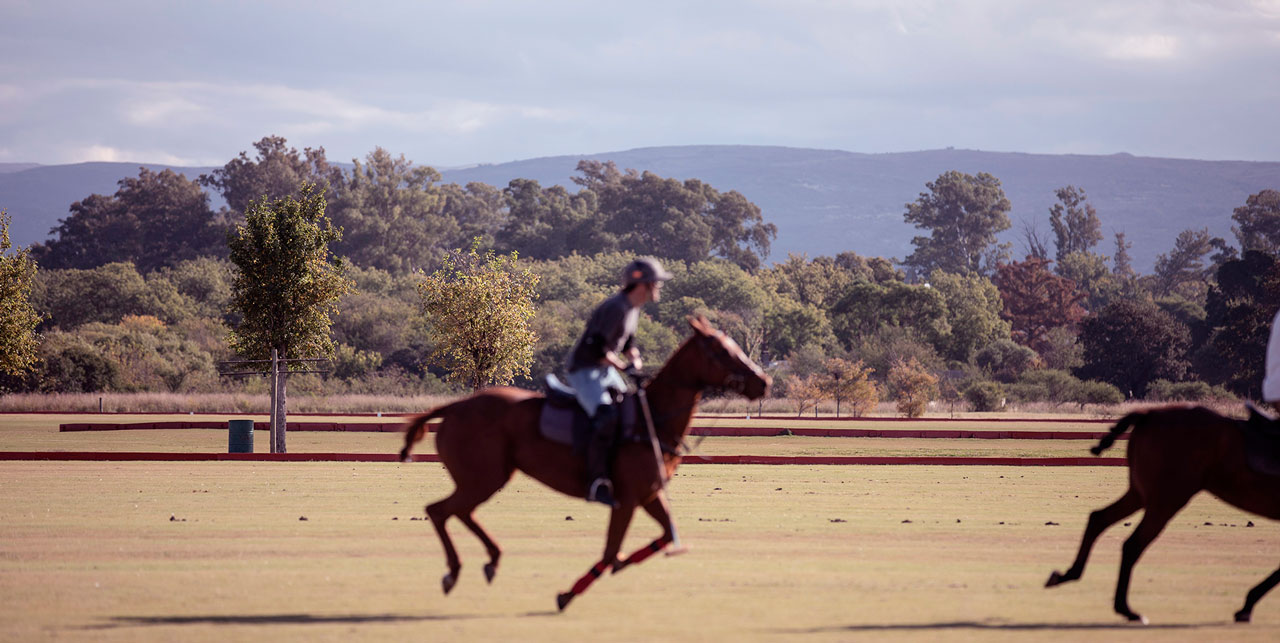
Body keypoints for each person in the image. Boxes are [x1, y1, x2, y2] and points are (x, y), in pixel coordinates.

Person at [564, 257, 672, 507]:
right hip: (585, 369)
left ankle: (625, 471)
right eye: (656, 283)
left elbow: (628, 344)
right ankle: (596, 481)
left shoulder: (633, 309)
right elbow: (598, 347)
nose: (659, 287)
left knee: (632, 413)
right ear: (643, 284)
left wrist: (635, 359)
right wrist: (623, 367)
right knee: (606, 416)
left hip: (604, 370)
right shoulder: (617, 307)